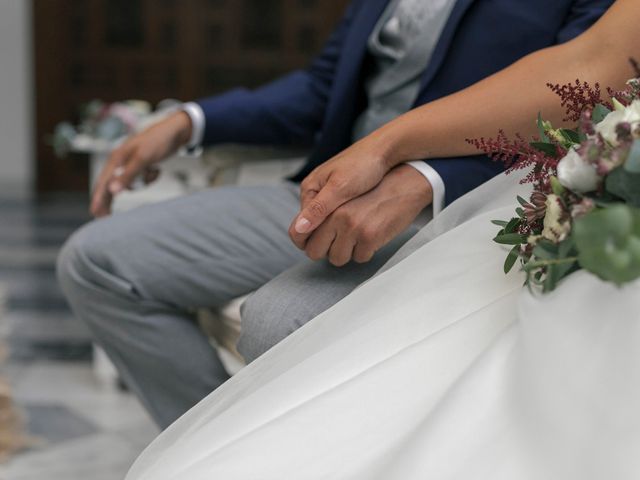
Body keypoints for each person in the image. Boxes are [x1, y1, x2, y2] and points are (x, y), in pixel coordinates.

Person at [125, 1, 640, 478]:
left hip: (472, 189)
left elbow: (581, 103)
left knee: (284, 321)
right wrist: (192, 120)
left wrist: (416, 172)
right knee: (103, 262)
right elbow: (595, 59)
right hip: (340, 179)